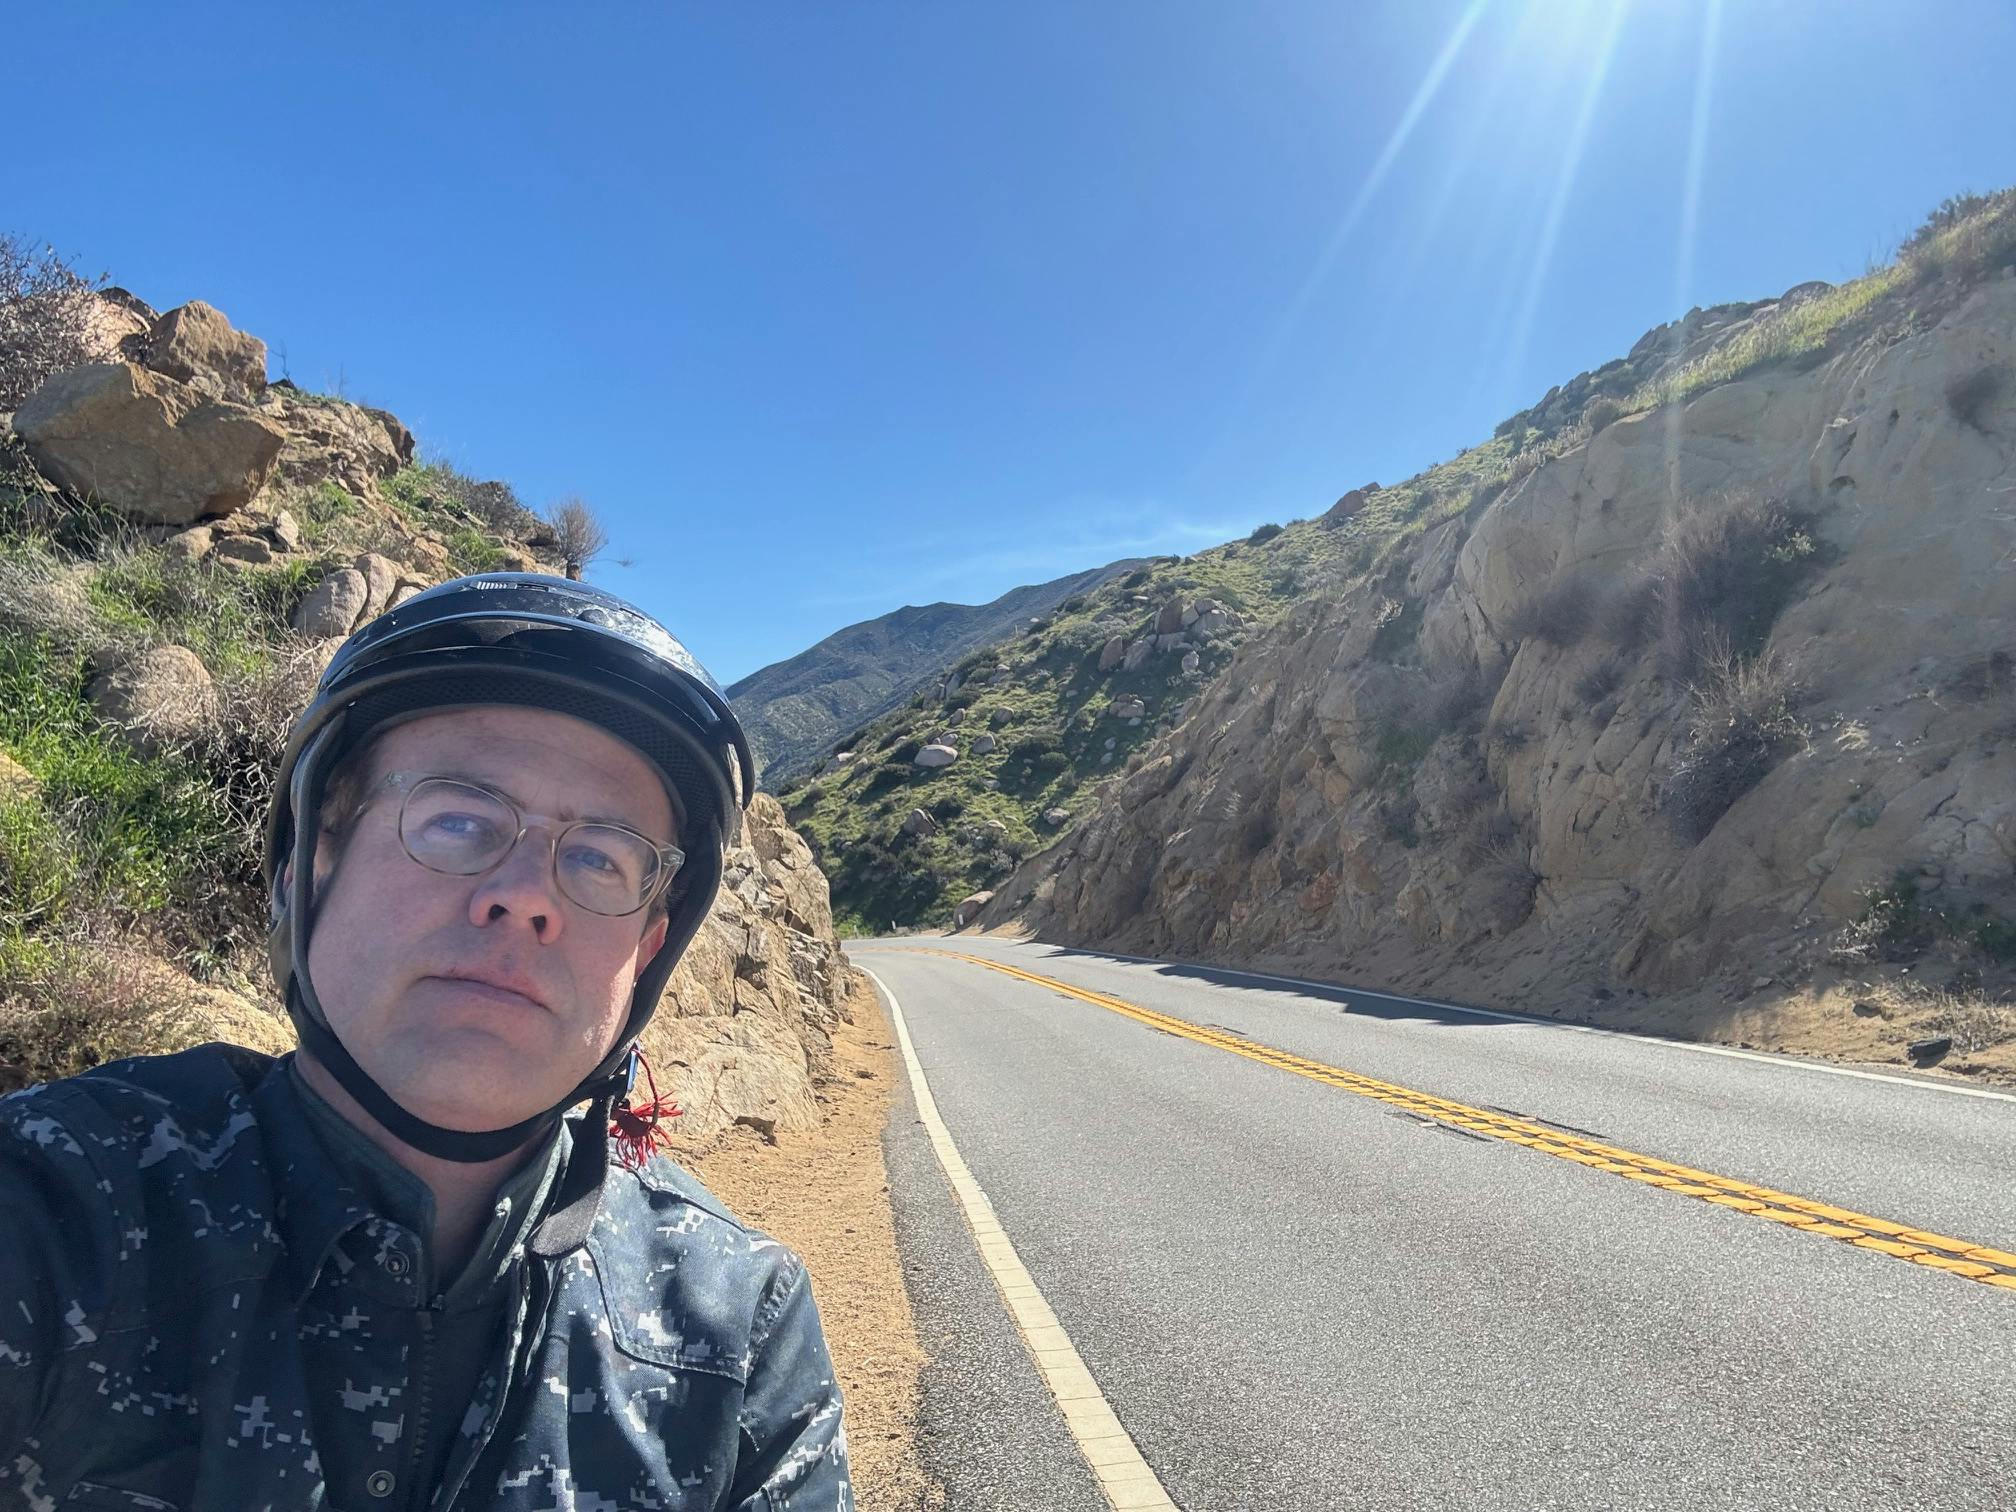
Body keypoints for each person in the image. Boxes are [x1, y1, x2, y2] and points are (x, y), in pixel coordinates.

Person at [0, 573, 853, 1510]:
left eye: (601, 857)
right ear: (305, 869)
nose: (525, 894)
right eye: (460, 819)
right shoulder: (56, 1204)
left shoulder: (736, 1324)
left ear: (647, 950)